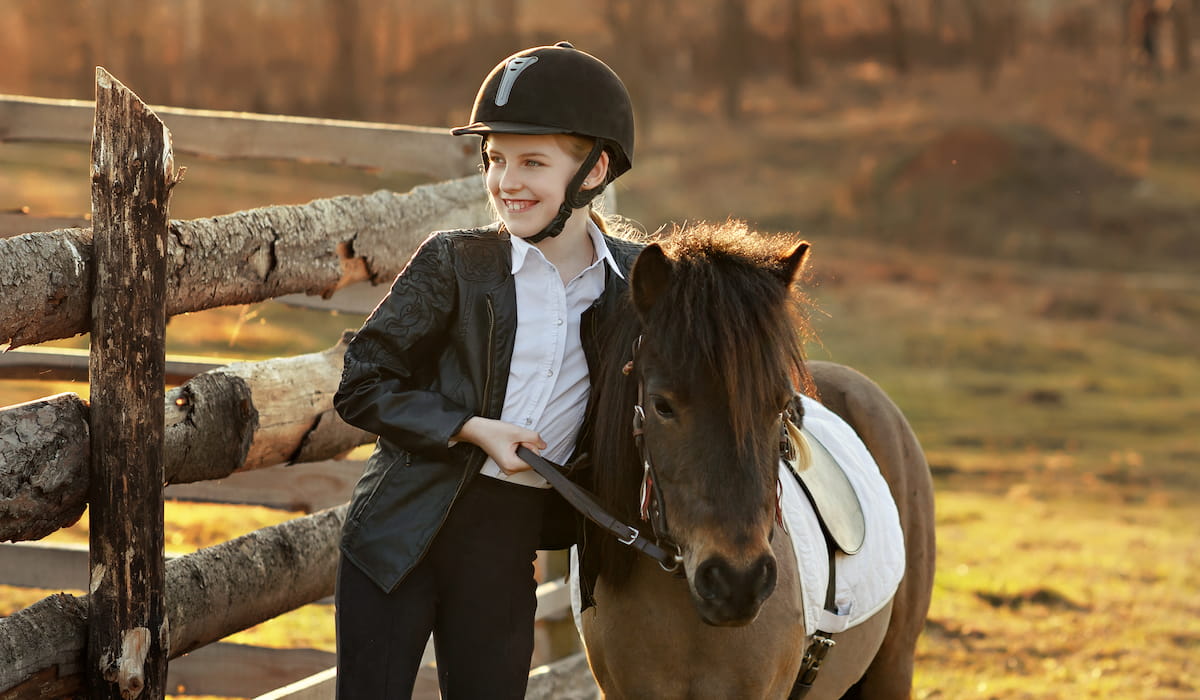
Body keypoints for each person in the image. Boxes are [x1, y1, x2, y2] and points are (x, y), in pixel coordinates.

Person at [332, 42, 641, 699]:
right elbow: (362, 381)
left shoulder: (635, 282)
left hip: (507, 543)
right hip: (399, 535)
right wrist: (472, 427)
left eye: (533, 161)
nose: (506, 181)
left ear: (594, 169)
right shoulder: (458, 263)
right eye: (496, 159)